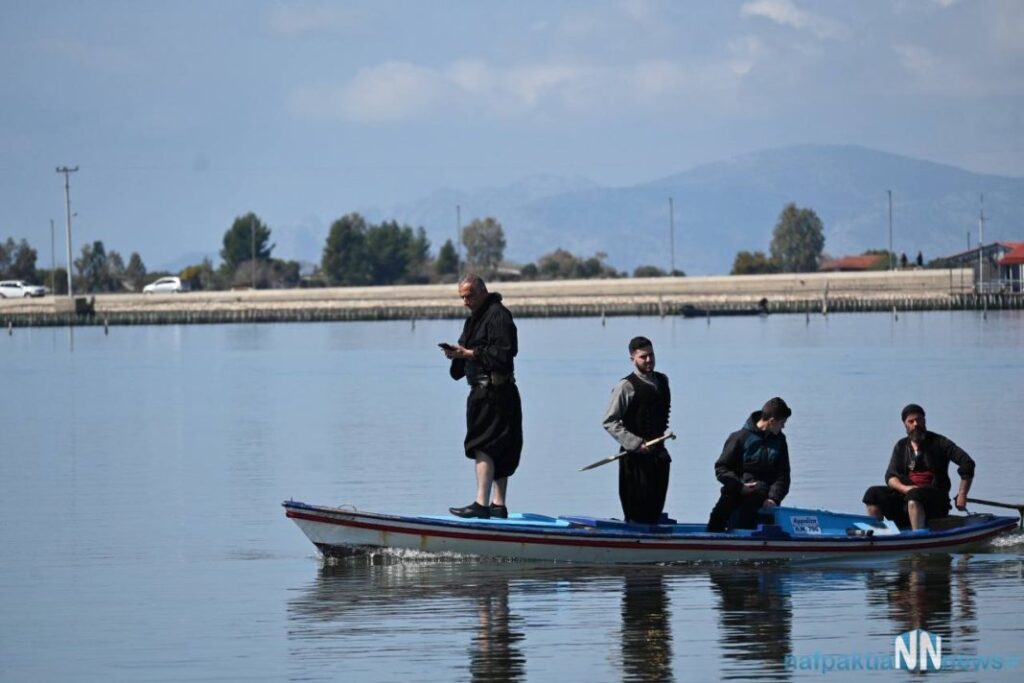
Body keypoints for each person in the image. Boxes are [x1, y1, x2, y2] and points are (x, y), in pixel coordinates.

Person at [442, 273, 523, 519]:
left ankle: (484, 503)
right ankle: (497, 506)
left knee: (487, 445)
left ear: (483, 291)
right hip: (481, 391)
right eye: (462, 298)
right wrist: (456, 355)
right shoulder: (473, 321)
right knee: (490, 444)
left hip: (497, 391)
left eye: (470, 295)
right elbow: (463, 358)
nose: (467, 301)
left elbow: (504, 354)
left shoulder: (498, 315)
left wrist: (469, 354)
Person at [862, 404, 974, 530]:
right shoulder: (901, 446)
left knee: (914, 495)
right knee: (873, 494)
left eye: (919, 420)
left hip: (935, 503)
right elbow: (890, 476)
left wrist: (962, 494)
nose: (915, 424)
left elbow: (967, 463)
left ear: (924, 421)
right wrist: (905, 489)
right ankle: (879, 535)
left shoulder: (940, 442)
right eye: (911, 421)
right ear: (905, 424)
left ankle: (918, 538)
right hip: (905, 502)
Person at [602, 336, 672, 524]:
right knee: (636, 514)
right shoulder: (625, 386)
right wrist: (634, 443)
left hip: (659, 457)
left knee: (654, 511)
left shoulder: (663, 381)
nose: (649, 360)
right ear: (632, 359)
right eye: (643, 357)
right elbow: (609, 421)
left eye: (651, 355)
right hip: (634, 461)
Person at [706, 397, 792, 532]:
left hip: (764, 497)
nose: (783, 427)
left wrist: (773, 498)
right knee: (725, 505)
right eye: (782, 423)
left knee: (755, 503)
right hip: (736, 492)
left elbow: (783, 475)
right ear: (772, 421)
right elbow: (721, 468)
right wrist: (740, 487)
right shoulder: (739, 438)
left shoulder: (780, 441)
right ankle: (713, 536)